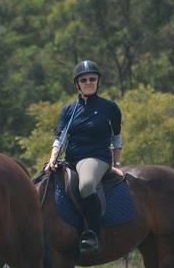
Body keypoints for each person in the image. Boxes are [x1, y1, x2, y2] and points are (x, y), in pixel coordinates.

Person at [44, 60, 123, 255]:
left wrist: (117, 162)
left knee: (86, 184)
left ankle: (93, 234)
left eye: (92, 79)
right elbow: (60, 137)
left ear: (98, 82)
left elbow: (116, 138)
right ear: (77, 84)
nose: (88, 82)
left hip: (96, 157)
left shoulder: (110, 108)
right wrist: (53, 158)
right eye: (84, 79)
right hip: (70, 159)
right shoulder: (69, 110)